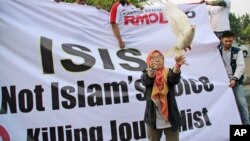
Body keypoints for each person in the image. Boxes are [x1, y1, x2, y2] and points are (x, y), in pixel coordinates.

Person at [141, 50, 187, 141]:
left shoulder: (168, 72)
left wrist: (177, 65)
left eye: (159, 57)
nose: (157, 60)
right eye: (153, 58)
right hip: (153, 120)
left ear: (163, 60)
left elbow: (173, 77)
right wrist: (152, 69)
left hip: (171, 119)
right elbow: (149, 80)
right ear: (148, 61)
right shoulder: (145, 74)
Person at [219, 31, 250, 125]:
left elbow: (240, 66)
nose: (228, 43)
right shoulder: (216, 51)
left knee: (242, 105)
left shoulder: (238, 51)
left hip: (236, 83)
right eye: (226, 41)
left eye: (230, 41)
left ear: (233, 40)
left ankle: (246, 125)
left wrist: (234, 79)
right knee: (223, 106)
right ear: (221, 40)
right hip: (222, 83)